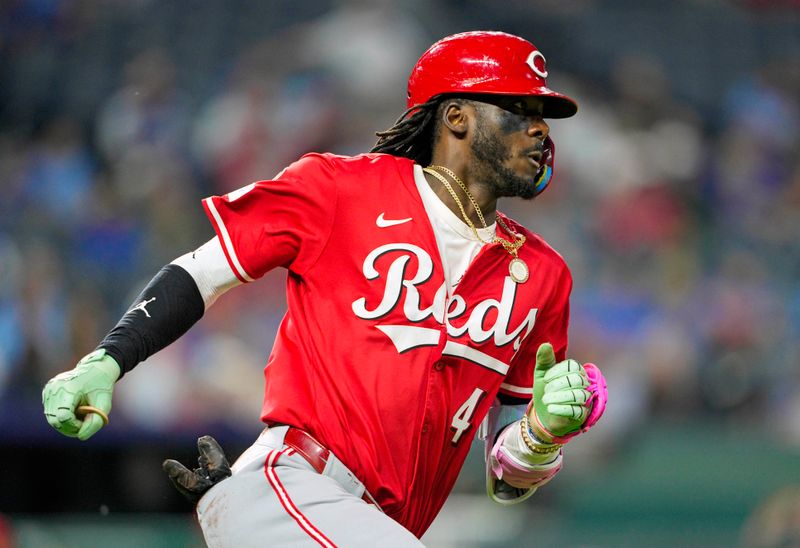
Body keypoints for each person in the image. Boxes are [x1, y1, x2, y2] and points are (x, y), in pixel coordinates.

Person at [42, 31, 608, 546]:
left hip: (373, 530)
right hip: (290, 488)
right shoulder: (340, 189)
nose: (539, 128)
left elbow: (505, 484)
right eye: (518, 108)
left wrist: (539, 436)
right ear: (456, 116)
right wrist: (107, 359)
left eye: (542, 114)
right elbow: (203, 271)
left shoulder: (543, 274)